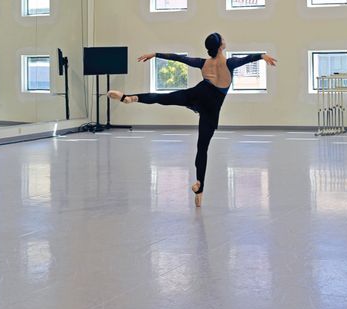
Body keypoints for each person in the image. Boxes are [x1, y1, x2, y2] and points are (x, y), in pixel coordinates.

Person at [108, 33, 277, 207]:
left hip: (197, 94)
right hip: (211, 109)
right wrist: (262, 56)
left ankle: (130, 98)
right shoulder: (230, 63)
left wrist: (155, 54)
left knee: (164, 98)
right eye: (223, 39)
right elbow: (248, 59)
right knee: (202, 148)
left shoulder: (204, 63)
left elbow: (179, 58)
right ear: (220, 46)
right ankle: (199, 186)